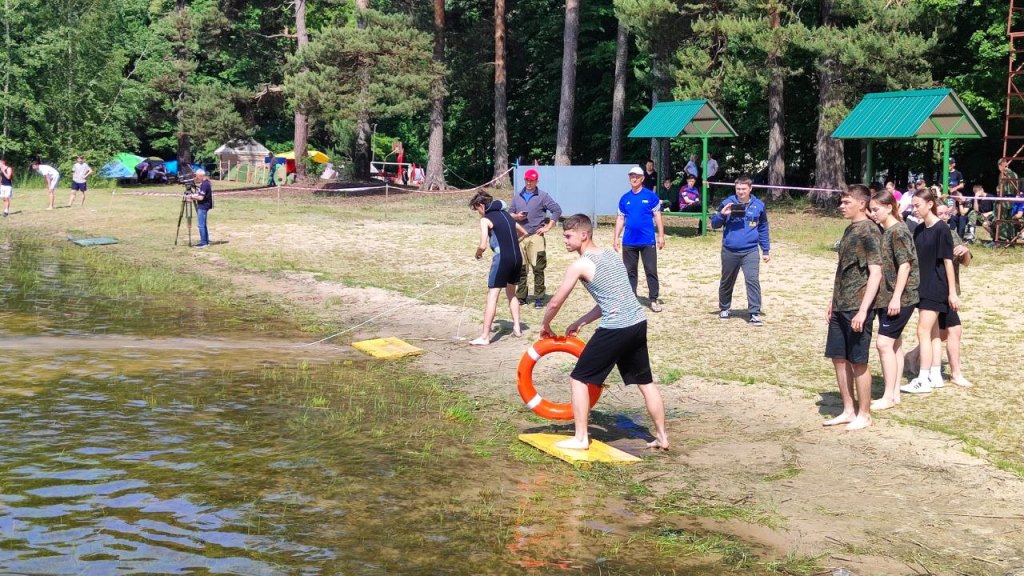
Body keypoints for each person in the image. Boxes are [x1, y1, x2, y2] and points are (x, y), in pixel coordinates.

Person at [540, 213, 668, 451]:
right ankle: (662, 437)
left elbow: (556, 302)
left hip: (617, 327)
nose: (565, 241)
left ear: (584, 235)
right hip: (638, 323)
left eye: (568, 236)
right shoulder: (611, 254)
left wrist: (545, 325)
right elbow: (612, 298)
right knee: (646, 382)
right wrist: (582, 321)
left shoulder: (580, 264)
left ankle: (580, 438)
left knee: (578, 378)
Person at [824, 185, 882, 430]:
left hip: (858, 306)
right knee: (839, 358)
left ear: (861, 204)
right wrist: (832, 301)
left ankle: (864, 413)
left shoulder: (869, 231)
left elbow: (876, 272)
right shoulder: (850, 229)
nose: (841, 206)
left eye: (846, 202)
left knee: (858, 361)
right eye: (842, 202)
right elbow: (843, 270)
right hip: (840, 304)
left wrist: (862, 310)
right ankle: (848, 409)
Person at [901, 186, 958, 394]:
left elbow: (948, 262)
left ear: (930, 204)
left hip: (936, 287)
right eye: (913, 205)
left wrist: (952, 292)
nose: (914, 209)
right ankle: (935, 374)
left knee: (922, 331)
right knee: (933, 333)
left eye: (918, 205)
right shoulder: (918, 229)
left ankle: (922, 378)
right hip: (922, 286)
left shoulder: (942, 229)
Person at [868, 189, 919, 410]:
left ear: (890, 207)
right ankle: (895, 393)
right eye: (871, 210)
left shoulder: (898, 231)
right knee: (895, 344)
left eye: (876, 209)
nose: (873, 213)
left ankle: (888, 396)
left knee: (884, 344)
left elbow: (905, 265)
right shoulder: (886, 230)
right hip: (887, 296)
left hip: (901, 297)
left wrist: (897, 297)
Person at [710, 175, 771, 326]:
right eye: (738, 189)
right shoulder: (727, 202)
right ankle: (724, 308)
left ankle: (754, 313)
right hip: (730, 250)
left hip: (750, 250)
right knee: (727, 280)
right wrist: (721, 215)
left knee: (752, 280)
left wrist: (766, 250)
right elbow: (714, 224)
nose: (740, 192)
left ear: (750, 188)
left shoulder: (758, 205)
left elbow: (763, 227)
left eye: (743, 189)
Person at [469, 191, 526, 346]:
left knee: (492, 296)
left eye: (477, 209)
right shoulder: (507, 215)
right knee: (511, 293)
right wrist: (512, 244)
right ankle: (517, 328)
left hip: (503, 260)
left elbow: (482, 245)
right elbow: (524, 232)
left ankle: (485, 336)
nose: (478, 213)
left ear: (481, 205)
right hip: (517, 258)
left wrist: (478, 254)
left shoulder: (485, 219)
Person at [613, 166, 665, 312]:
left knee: (651, 270)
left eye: (636, 176)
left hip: (647, 241)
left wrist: (661, 235)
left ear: (642, 179)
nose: (633, 179)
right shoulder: (625, 198)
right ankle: (631, 299)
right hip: (629, 241)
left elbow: (658, 216)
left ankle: (653, 299)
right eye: (631, 176)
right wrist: (616, 237)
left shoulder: (650, 196)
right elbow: (620, 218)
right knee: (630, 271)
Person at [510, 168, 562, 308]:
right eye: (527, 180)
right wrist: (517, 216)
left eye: (532, 180)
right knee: (521, 268)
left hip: (535, 236)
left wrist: (548, 227)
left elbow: (557, 210)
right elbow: (510, 213)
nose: (529, 183)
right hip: (519, 237)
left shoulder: (543, 196)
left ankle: (539, 297)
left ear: (536, 181)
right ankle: (521, 297)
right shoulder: (517, 196)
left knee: (538, 267)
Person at [186, 168, 213, 248]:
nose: (196, 178)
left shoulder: (204, 184)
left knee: (201, 225)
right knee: (203, 224)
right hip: (205, 205)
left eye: (197, 176)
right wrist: (195, 195)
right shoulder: (205, 183)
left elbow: (201, 197)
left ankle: (203, 242)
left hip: (203, 206)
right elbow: (201, 194)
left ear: (201, 176)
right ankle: (206, 240)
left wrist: (191, 197)